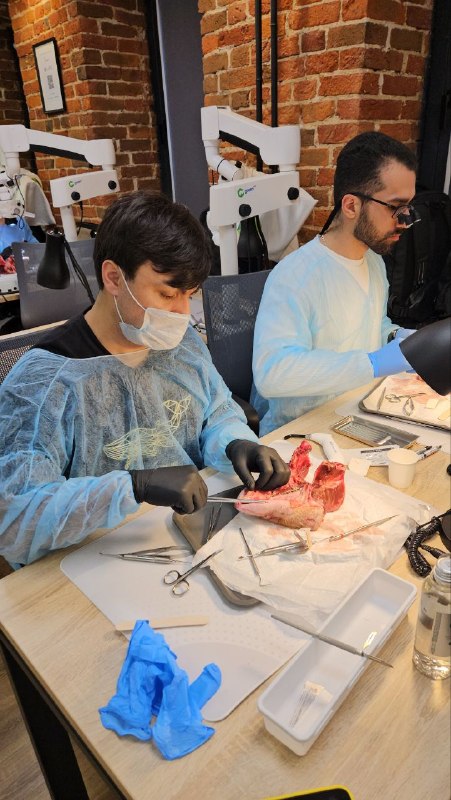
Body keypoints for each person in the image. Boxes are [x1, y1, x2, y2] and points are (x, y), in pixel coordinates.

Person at [0, 191, 290, 566]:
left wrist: (235, 441)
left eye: (189, 295)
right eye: (167, 293)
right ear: (114, 277)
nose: (182, 313)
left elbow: (215, 410)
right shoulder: (46, 384)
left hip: (188, 535)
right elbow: (16, 519)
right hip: (92, 562)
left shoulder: (181, 344)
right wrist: (133, 487)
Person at [252, 131, 419, 435]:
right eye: (396, 208)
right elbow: (273, 373)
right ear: (352, 206)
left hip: (356, 415)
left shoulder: (374, 262)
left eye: (408, 207)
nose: (405, 221)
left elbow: (370, 325)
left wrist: (396, 336)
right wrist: (373, 364)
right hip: (300, 432)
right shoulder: (295, 276)